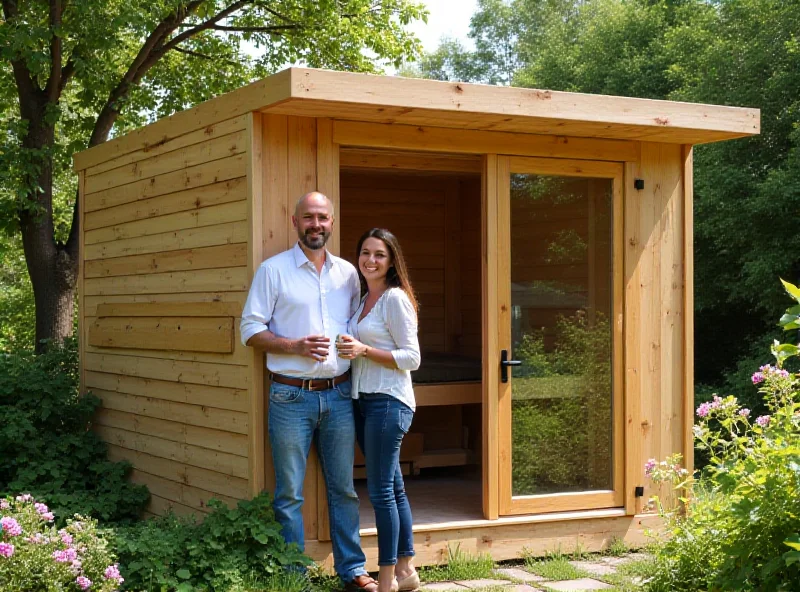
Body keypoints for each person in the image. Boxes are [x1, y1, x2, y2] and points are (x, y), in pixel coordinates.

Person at [240, 192, 378, 592]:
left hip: (339, 394)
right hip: (290, 397)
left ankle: (352, 570)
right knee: (289, 494)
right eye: (308, 218)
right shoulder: (273, 271)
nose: (316, 225)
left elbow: (358, 321)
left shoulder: (349, 274)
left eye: (323, 218)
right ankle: (293, 577)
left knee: (344, 489)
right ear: (295, 221)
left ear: (332, 222)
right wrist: (294, 346)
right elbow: (249, 330)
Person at [336, 228, 422, 592]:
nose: (370, 260)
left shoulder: (394, 299)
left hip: (389, 402)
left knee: (382, 491)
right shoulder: (362, 299)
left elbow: (412, 358)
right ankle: (406, 569)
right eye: (365, 253)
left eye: (379, 255)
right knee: (394, 488)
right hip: (363, 399)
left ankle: (386, 580)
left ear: (391, 261)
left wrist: (363, 350)